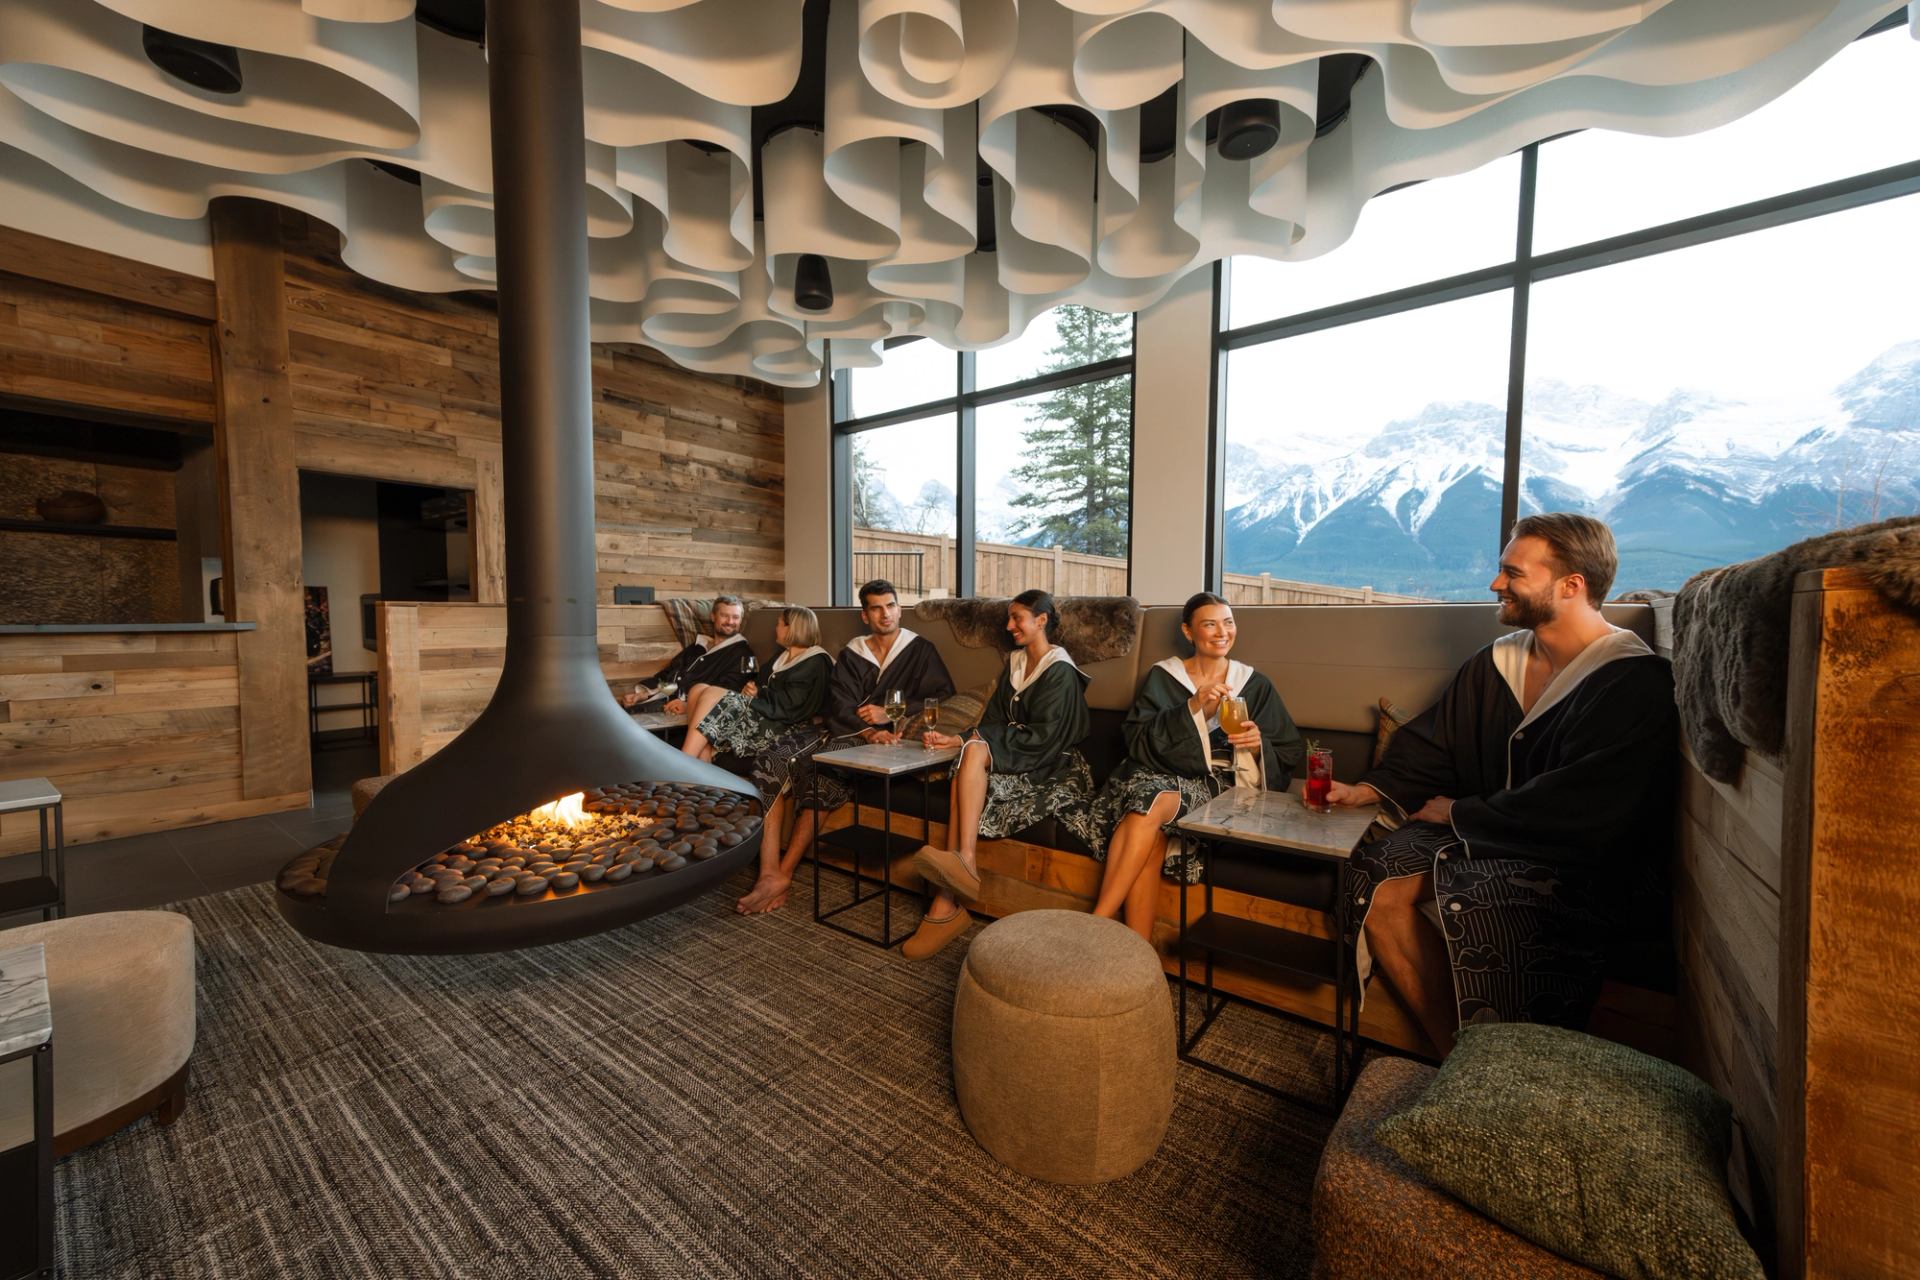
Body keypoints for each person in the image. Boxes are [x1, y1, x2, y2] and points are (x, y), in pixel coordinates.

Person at [1320, 513, 1677, 1057]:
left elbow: (1591, 807)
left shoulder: (1633, 680)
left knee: (1486, 903)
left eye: (1513, 572)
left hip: (1569, 854)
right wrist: (1367, 790)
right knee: (1374, 874)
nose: (1496, 583)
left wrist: (1461, 815)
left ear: (1571, 586)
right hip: (1481, 825)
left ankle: (1505, 1066)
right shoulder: (1499, 662)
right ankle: (1455, 1058)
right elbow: (1434, 746)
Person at [1089, 592, 1304, 942]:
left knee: (1148, 808)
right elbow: (1135, 738)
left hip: (1215, 781)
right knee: (1151, 826)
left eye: (1228, 622)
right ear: (1189, 632)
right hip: (1153, 772)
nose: (1222, 632)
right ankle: (1139, 954)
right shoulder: (1164, 676)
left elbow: (1288, 747)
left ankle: (1095, 922)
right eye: (1210, 624)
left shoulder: (1254, 683)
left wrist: (1258, 744)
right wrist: (1192, 708)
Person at [736, 580, 955, 915]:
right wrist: (868, 729)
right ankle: (768, 873)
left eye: (891, 606)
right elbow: (839, 703)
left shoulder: (920, 650)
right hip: (842, 731)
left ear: (899, 608)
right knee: (771, 760)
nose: (886, 614)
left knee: (824, 775)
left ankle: (784, 873)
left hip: (881, 741)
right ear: (865, 615)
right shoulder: (854, 651)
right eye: (877, 608)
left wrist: (888, 713)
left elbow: (939, 696)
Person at [907, 590, 1094, 959]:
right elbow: (990, 721)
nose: (1009, 626)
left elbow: (1047, 737)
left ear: (1041, 621)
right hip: (1014, 752)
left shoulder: (1060, 671)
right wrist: (957, 738)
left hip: (1052, 764)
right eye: (1009, 618)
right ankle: (961, 872)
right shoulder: (1015, 663)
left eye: (1017, 618)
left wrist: (976, 742)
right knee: (967, 752)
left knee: (972, 753)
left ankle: (950, 896)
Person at [679, 607, 832, 775]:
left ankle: (684, 764)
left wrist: (758, 694)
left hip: (785, 723)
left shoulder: (815, 661)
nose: (776, 628)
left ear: (792, 628)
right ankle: (703, 761)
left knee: (711, 693)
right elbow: (760, 685)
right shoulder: (782, 656)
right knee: (697, 689)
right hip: (766, 710)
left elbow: (792, 705)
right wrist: (751, 690)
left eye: (779, 624)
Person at [622, 594, 753, 714]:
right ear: (713, 616)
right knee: (622, 710)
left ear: (740, 620)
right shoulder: (698, 646)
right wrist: (644, 695)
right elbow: (672, 677)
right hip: (664, 701)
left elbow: (728, 693)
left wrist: (687, 705)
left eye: (735, 617)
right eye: (724, 615)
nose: (730, 622)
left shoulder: (743, 655)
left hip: (689, 716)